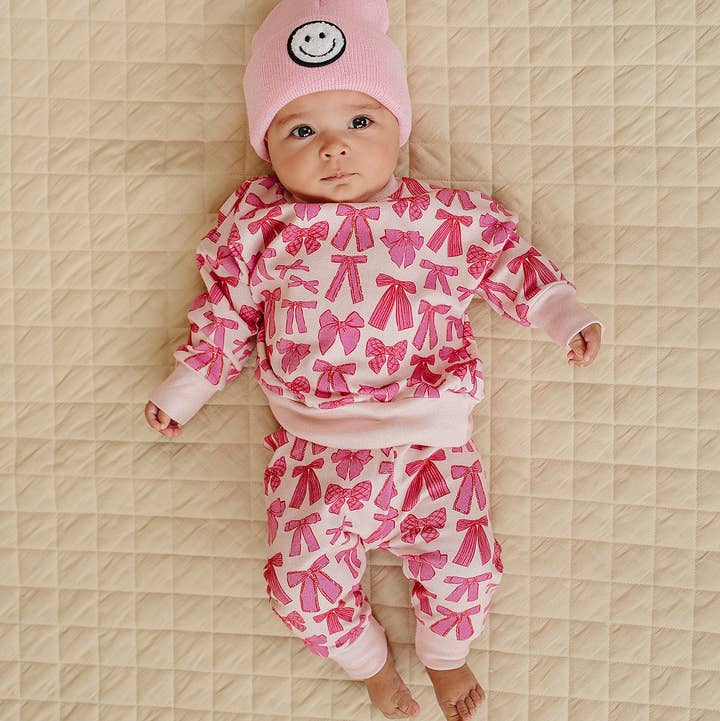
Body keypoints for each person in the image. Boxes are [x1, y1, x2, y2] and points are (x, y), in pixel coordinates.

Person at [144, 1, 603, 719]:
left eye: (360, 121)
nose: (334, 148)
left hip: (433, 445)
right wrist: (187, 386)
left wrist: (559, 312)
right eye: (302, 130)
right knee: (301, 585)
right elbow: (227, 311)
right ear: (267, 145)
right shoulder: (263, 226)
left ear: (398, 127)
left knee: (467, 566)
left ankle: (446, 654)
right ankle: (371, 662)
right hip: (316, 450)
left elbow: (504, 258)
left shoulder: (441, 218)